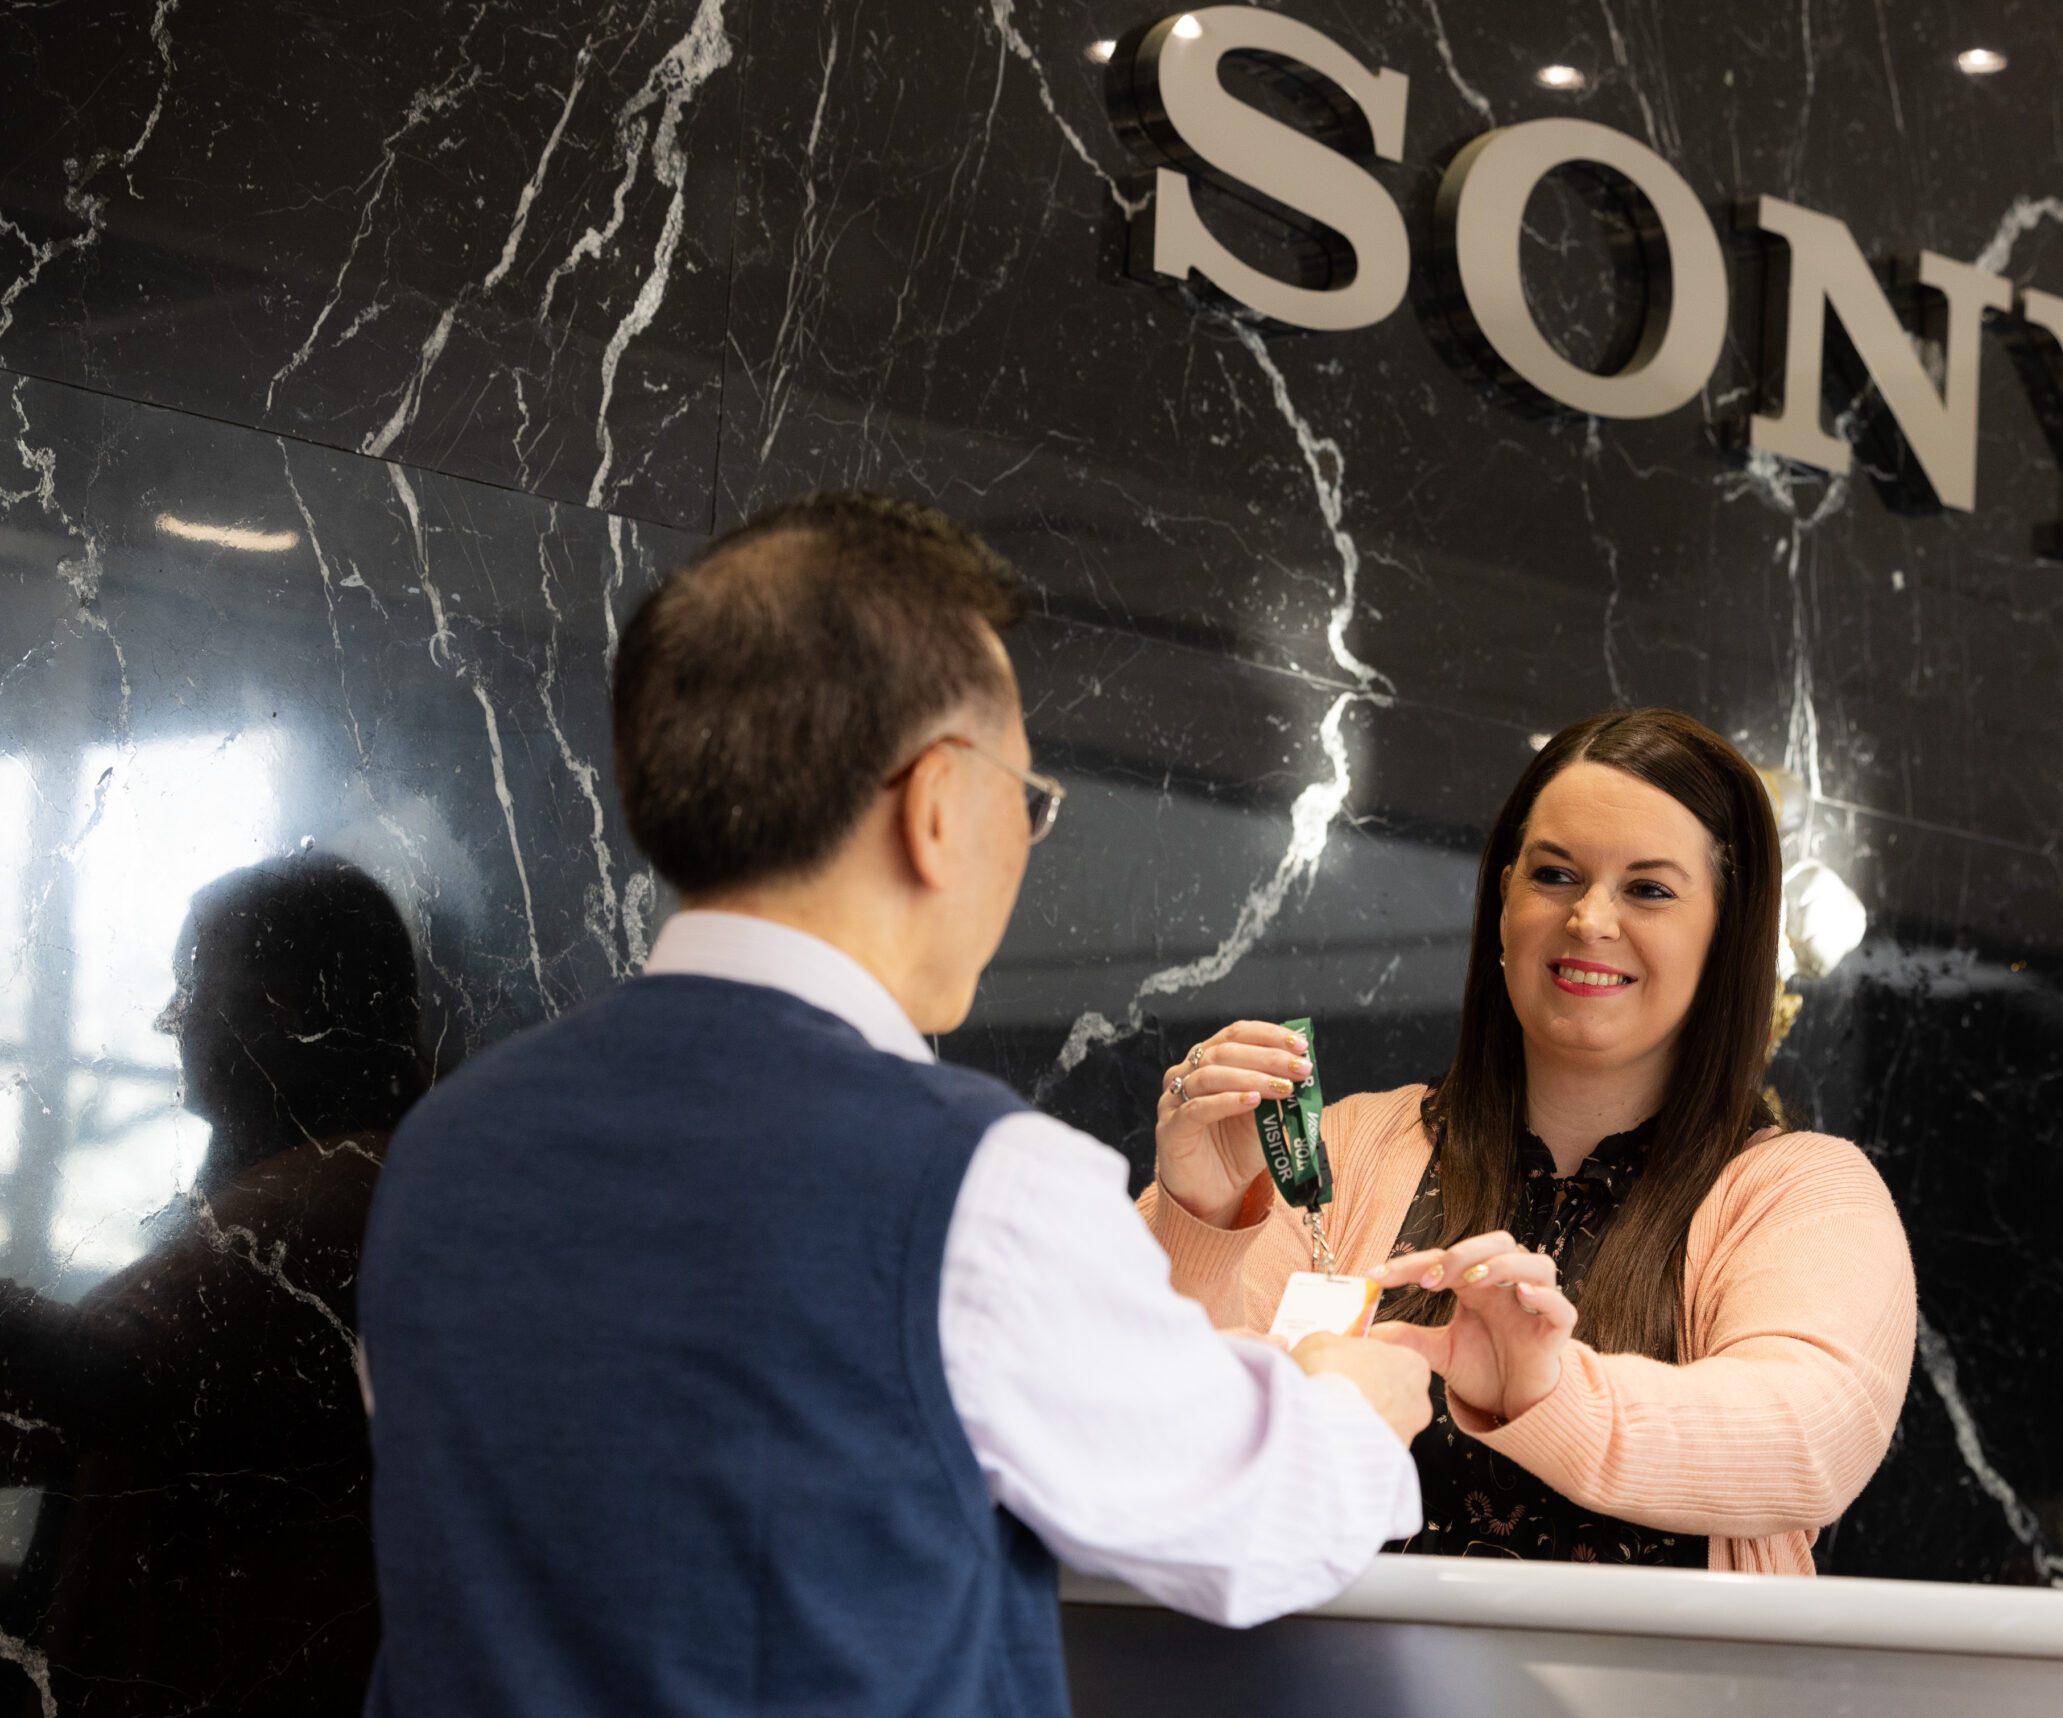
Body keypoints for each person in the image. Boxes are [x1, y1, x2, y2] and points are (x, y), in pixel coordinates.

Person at [358, 492, 1428, 1718]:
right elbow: (1262, 1518)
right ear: (934, 803)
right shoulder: (978, 1181)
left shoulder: (443, 1145)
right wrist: (1361, 1393)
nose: (1026, 843)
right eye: (1028, 800)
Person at [1143, 709, 1916, 1570]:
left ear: (1728, 933)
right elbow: (1155, 1439)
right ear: (1503, 897)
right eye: (1556, 874)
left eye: (1649, 889)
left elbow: (1805, 1442)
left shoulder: (1803, 1192)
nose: (1590, 919)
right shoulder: (1340, 1149)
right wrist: (1199, 1223)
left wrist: (1544, 1392)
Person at [0, 856, 422, 1715]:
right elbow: (69, 1425)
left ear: (290, 1011)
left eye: (194, 986)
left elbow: (112, 1376)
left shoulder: (344, 1183)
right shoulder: (286, 1188)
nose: (169, 1018)